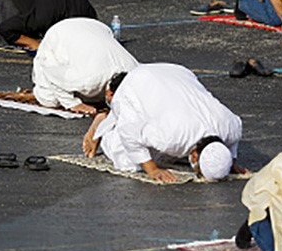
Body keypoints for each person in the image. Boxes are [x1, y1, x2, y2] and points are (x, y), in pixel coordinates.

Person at [82, 63, 244, 183]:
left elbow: (235, 131)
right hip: (134, 84)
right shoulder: (169, 137)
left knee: (161, 149)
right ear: (194, 156)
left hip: (178, 72)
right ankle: (105, 125)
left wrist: (232, 161)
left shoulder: (230, 127)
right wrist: (152, 170)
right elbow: (129, 134)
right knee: (128, 160)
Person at [32, 17, 138, 114]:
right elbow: (51, 73)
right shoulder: (86, 80)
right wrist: (72, 104)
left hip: (96, 27)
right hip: (59, 32)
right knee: (49, 99)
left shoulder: (135, 70)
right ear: (110, 93)